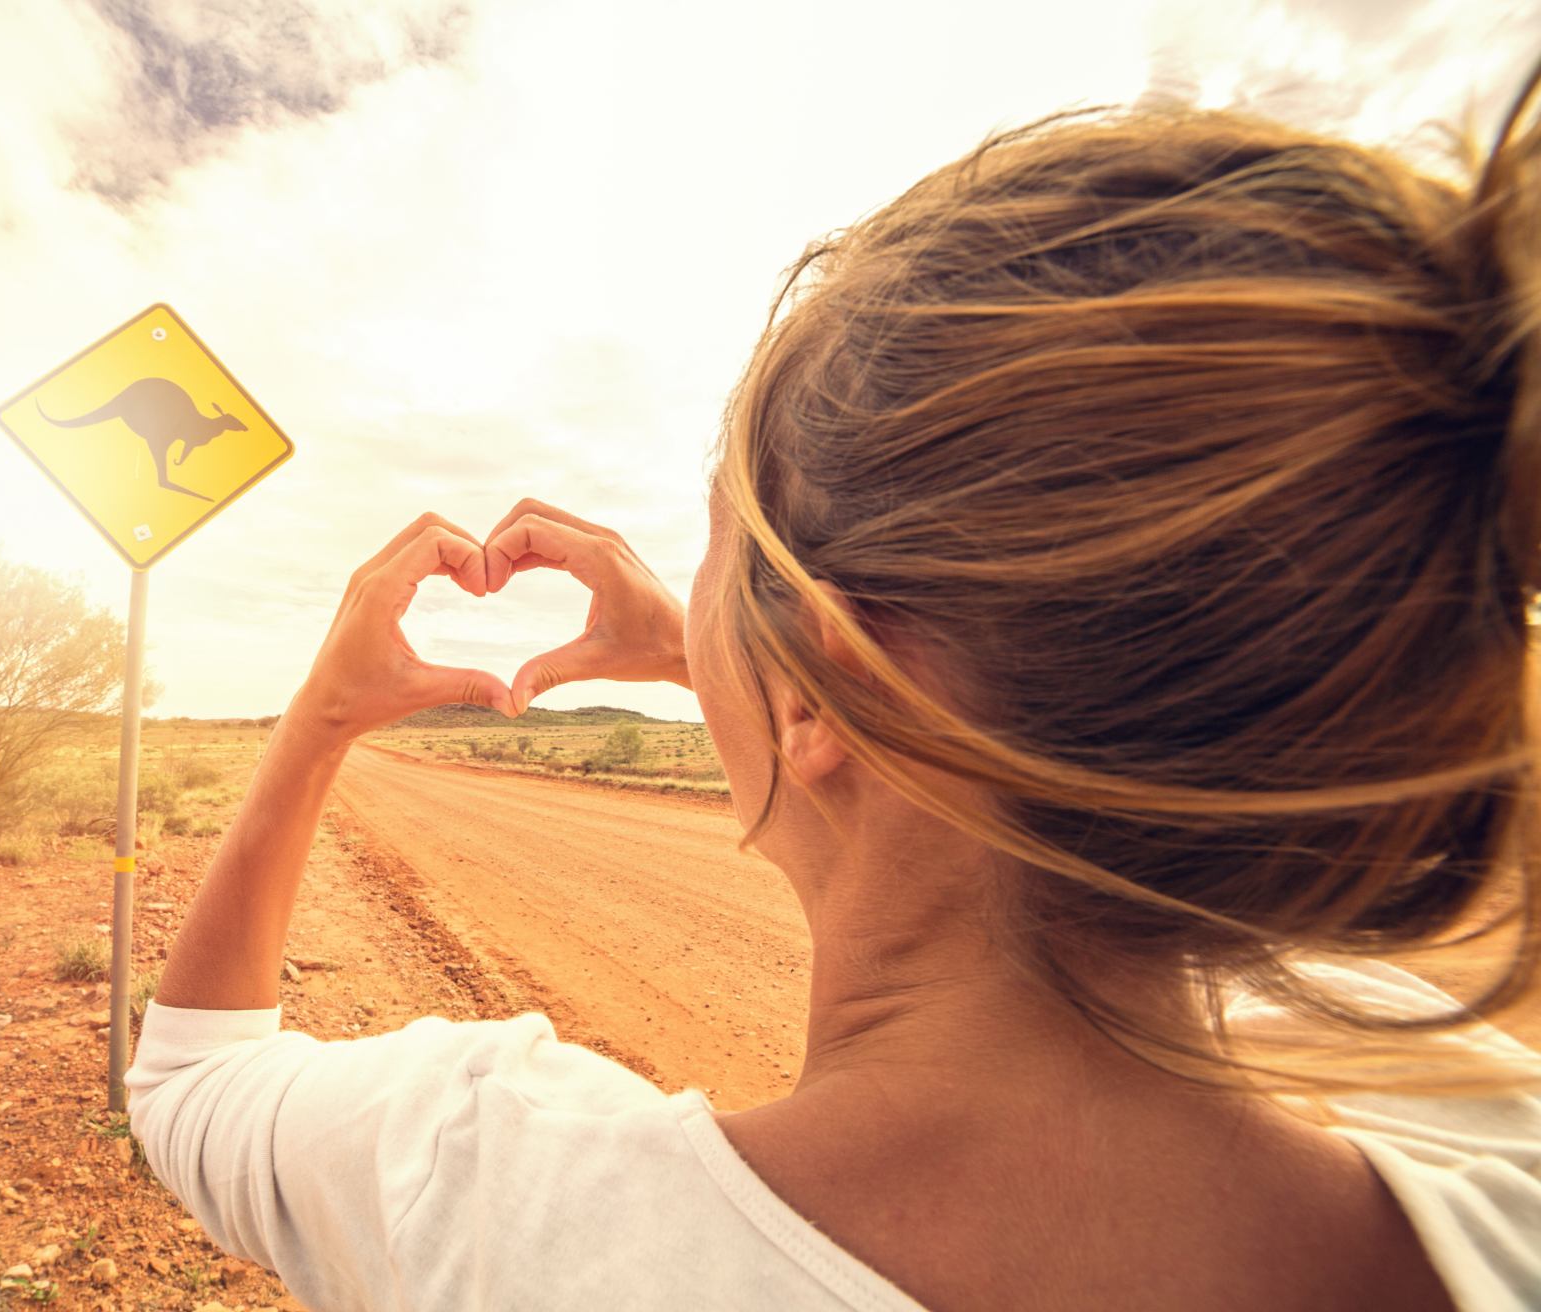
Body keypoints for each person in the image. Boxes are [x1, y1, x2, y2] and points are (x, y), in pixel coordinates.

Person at [123, 61, 1541, 1312]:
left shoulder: (487, 1198)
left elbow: (188, 1082)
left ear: (818, 682)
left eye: (719, 544)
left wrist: (321, 721)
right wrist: (744, 656)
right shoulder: (1494, 1157)